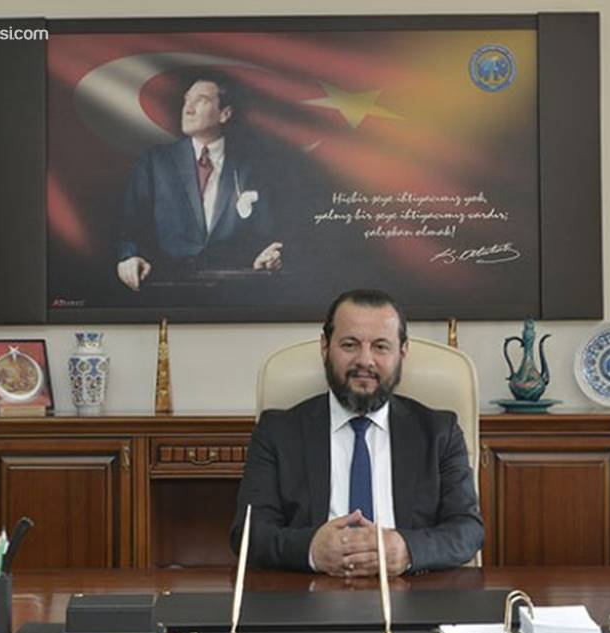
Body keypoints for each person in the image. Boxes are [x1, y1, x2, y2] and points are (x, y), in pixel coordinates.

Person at [230, 289, 484, 575]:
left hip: (411, 592)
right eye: (350, 345)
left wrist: (407, 550)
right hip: (310, 592)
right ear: (325, 347)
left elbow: (468, 530)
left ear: (402, 352)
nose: (365, 360)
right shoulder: (277, 432)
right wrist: (310, 550)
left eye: (380, 346)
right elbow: (249, 533)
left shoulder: (439, 432)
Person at [115, 74, 282, 291]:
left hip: (234, 290)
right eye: (187, 100)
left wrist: (267, 256)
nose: (188, 109)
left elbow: (268, 233)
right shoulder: (155, 162)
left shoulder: (251, 166)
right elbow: (128, 227)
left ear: (224, 114)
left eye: (201, 100)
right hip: (167, 288)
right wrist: (129, 257)